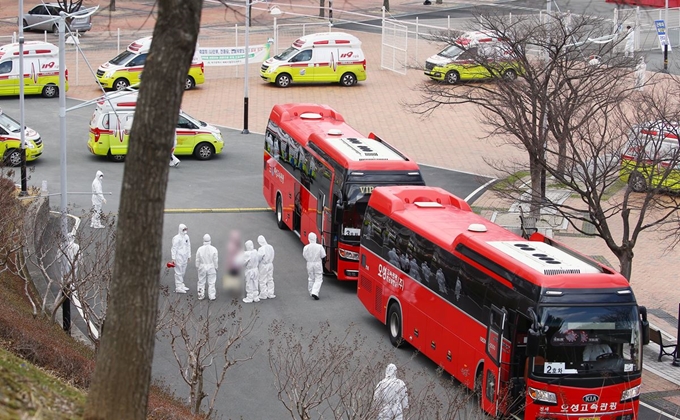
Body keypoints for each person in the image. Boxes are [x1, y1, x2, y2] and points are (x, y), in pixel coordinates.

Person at [302, 232, 326, 300]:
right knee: (318, 278)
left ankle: (311, 291)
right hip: (317, 263)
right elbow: (323, 255)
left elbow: (304, 255)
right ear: (315, 238)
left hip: (309, 263)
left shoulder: (306, 247)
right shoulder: (319, 246)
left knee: (311, 278)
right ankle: (315, 292)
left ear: (309, 239)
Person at [195, 234, 218, 301]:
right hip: (211, 266)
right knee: (212, 282)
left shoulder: (200, 249)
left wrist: (197, 266)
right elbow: (215, 259)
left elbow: (197, 259)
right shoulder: (214, 249)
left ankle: (201, 295)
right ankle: (212, 296)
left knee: (201, 281)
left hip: (202, 266)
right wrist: (216, 267)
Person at [171, 224, 191, 293]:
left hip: (184, 257)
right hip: (178, 257)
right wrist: (173, 258)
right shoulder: (176, 238)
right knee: (178, 272)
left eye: (186, 229)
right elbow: (174, 248)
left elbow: (188, 246)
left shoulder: (186, 237)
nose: (185, 231)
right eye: (184, 229)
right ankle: (178, 287)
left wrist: (189, 256)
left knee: (183, 271)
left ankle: (181, 284)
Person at [256, 235, 276, 300]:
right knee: (270, 278)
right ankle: (271, 293)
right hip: (270, 264)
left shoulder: (261, 249)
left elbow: (259, 258)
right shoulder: (270, 247)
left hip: (264, 265)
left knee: (262, 279)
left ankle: (263, 294)